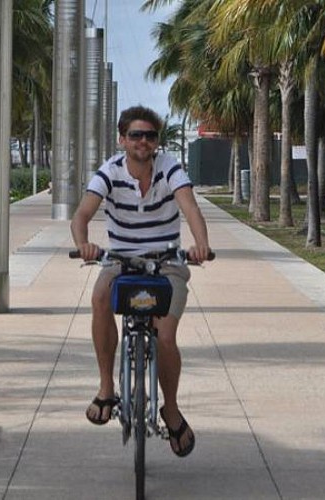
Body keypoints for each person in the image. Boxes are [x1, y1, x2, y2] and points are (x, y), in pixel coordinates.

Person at [71, 105, 211, 458]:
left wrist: (200, 244)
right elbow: (82, 215)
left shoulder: (170, 168)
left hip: (167, 262)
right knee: (100, 298)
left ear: (156, 141)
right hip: (121, 260)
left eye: (150, 135)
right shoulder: (109, 172)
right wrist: (83, 244)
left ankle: (172, 409)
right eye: (135, 135)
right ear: (123, 139)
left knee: (166, 336)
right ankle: (106, 389)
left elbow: (190, 207)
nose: (143, 141)